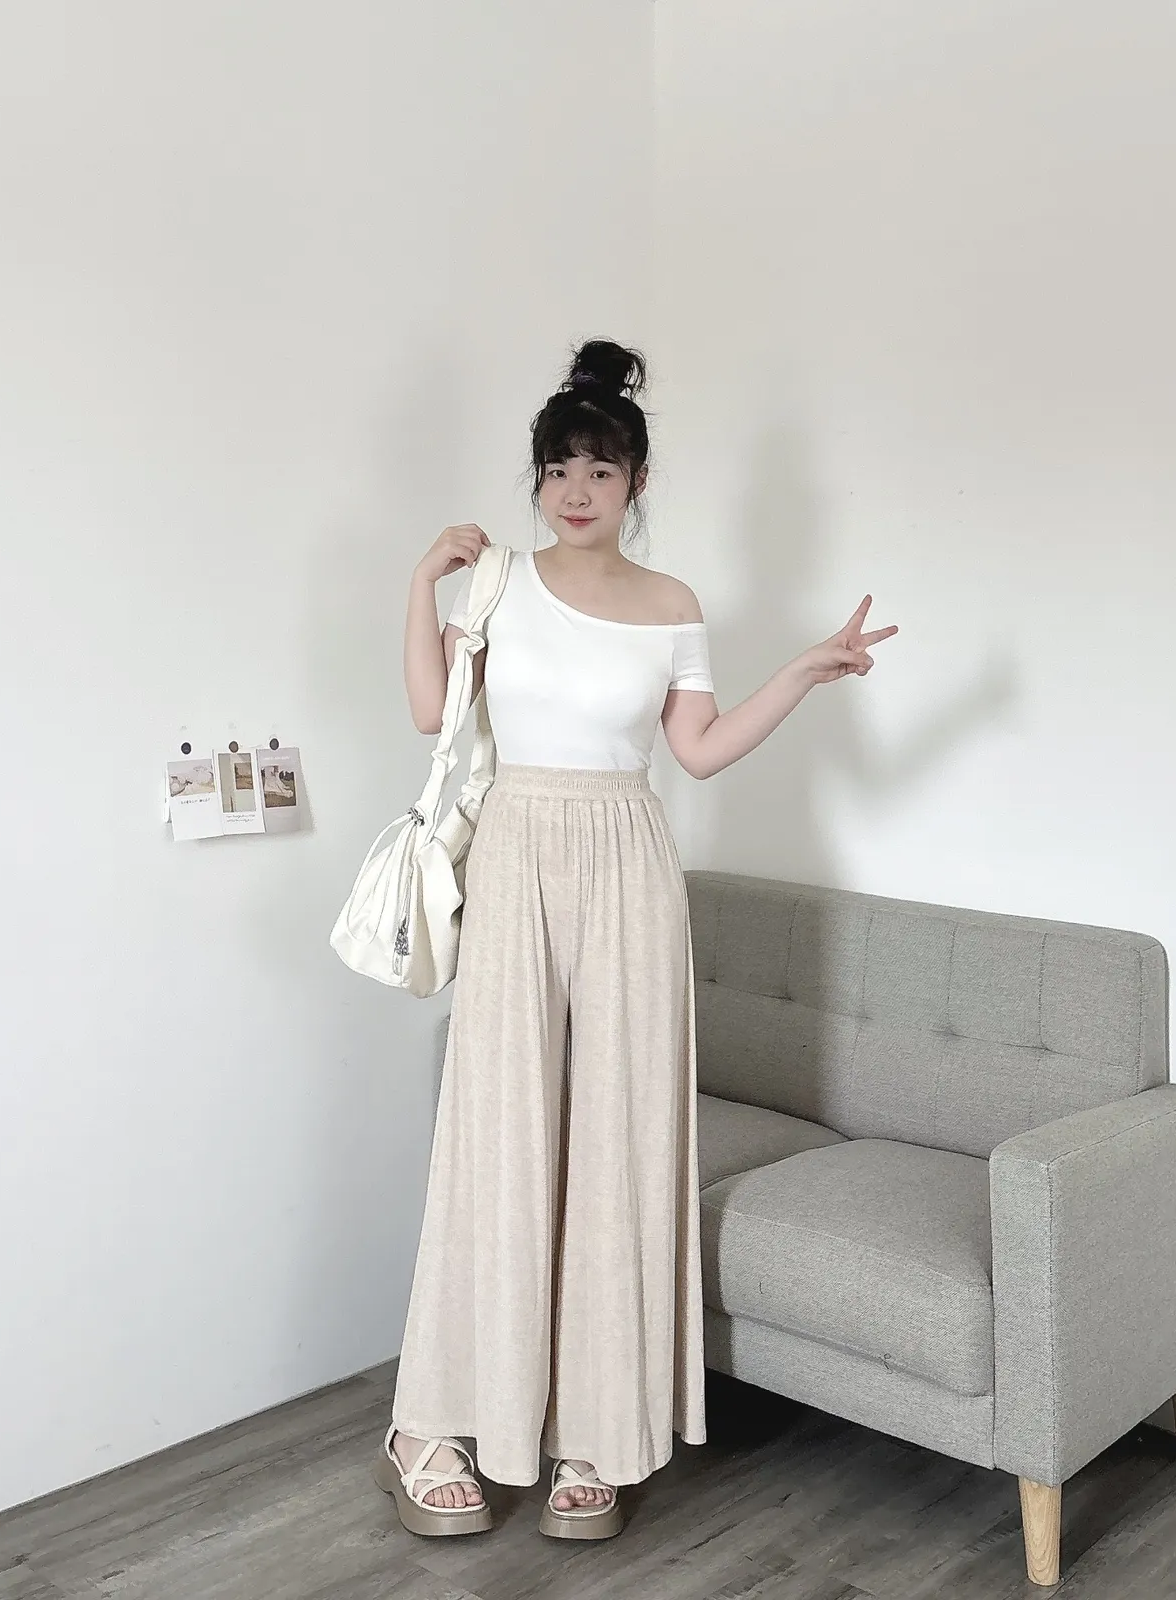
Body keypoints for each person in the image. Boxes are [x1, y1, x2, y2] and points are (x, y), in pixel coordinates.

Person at [374, 339, 898, 1540]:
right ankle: (432, 1421)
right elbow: (429, 712)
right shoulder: (496, 584)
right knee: (500, 1130)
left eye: (600, 471)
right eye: (559, 468)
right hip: (516, 854)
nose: (577, 490)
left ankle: (595, 1430)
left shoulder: (674, 607)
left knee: (617, 1139)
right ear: (538, 479)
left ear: (637, 482)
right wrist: (420, 586)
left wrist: (804, 671)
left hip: (630, 864)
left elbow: (697, 749)